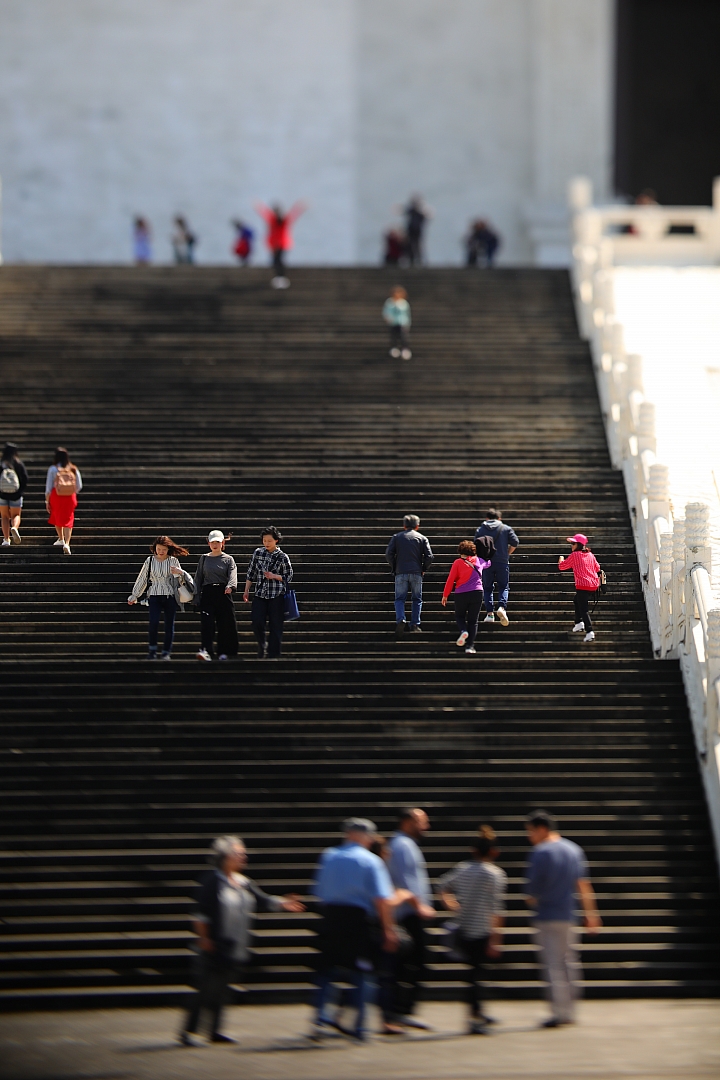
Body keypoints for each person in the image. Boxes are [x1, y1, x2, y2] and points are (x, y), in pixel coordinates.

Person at [180, 835, 304, 1046]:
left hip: (234, 945)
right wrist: (204, 938)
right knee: (205, 989)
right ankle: (189, 1032)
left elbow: (262, 899)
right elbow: (199, 915)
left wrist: (282, 903)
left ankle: (215, 1030)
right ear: (226, 856)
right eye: (240, 853)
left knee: (224, 989)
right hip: (213, 945)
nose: (244, 857)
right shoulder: (211, 882)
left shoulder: (243, 882)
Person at [312, 818, 397, 1042]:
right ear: (361, 836)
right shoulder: (371, 861)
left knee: (327, 969)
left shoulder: (328, 856)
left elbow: (319, 891)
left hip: (331, 916)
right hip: (358, 919)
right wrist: (388, 929)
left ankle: (320, 1019)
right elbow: (381, 899)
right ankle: (359, 1027)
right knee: (362, 972)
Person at [525, 809, 601, 1028]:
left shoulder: (540, 853)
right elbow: (583, 884)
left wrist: (532, 900)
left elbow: (532, 892)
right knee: (569, 961)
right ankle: (570, 1010)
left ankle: (558, 1012)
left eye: (531, 832)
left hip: (547, 915)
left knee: (552, 964)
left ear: (541, 829)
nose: (530, 837)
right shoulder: (573, 850)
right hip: (569, 915)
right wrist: (591, 914)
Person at [437, 826, 506, 1034]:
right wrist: (496, 939)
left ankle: (478, 1011)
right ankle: (475, 1017)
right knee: (477, 975)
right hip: (482, 931)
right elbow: (497, 910)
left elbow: (442, 885)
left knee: (473, 973)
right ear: (494, 852)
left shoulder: (463, 869)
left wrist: (451, 904)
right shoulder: (495, 875)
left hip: (464, 927)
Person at [387, 809, 435, 1030]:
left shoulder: (403, 844)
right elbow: (405, 883)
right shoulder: (403, 846)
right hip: (409, 914)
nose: (426, 826)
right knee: (415, 963)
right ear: (408, 822)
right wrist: (420, 907)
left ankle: (400, 1011)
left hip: (410, 913)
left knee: (412, 963)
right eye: (421, 822)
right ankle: (400, 1011)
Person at [128, 535, 195, 660]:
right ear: (155, 548)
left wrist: (179, 573)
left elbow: (181, 581)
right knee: (153, 622)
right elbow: (142, 578)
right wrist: (135, 595)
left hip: (170, 595)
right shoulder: (150, 560)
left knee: (169, 625)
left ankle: (166, 652)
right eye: (159, 549)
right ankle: (152, 651)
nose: (161, 551)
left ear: (168, 549)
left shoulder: (173, 561)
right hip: (154, 595)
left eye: (164, 549)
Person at [243, 526, 293, 660]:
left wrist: (274, 576)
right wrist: (246, 590)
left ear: (276, 540)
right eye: (264, 540)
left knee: (276, 625)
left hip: (276, 595)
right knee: (256, 621)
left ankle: (273, 653)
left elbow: (289, 576)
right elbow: (251, 572)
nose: (266, 543)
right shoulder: (258, 553)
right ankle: (262, 644)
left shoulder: (282, 557)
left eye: (269, 541)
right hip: (260, 593)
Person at [441, 538, 495, 655]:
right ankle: (470, 646)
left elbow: (450, 580)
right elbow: (489, 563)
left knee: (460, 616)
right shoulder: (479, 561)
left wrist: (445, 595)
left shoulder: (457, 562)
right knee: (473, 621)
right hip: (477, 593)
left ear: (460, 551)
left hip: (461, 593)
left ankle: (463, 630)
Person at [385, 514, 434, 634]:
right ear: (417, 526)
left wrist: (394, 566)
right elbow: (430, 556)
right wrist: (423, 568)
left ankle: (401, 619)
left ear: (404, 525)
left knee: (400, 599)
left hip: (401, 572)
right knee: (417, 599)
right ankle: (415, 624)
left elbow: (388, 554)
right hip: (416, 572)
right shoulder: (422, 538)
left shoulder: (397, 537)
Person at [194, 530, 238, 662]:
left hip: (223, 592)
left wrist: (231, 586)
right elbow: (198, 578)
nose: (214, 545)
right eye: (212, 542)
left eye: (217, 542)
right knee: (207, 624)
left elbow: (232, 574)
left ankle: (224, 651)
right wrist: (196, 597)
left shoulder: (228, 559)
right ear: (208, 543)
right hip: (208, 593)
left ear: (223, 543)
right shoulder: (204, 558)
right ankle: (206, 650)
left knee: (225, 624)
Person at [474, 508, 519, 626]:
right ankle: (502, 608)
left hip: (486, 562)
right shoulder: (505, 528)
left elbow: (475, 544)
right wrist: (507, 553)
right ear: (499, 518)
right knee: (503, 586)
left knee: (487, 587)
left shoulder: (481, 529)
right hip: (502, 561)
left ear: (487, 518)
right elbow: (515, 542)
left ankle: (490, 614)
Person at [558, 533, 602, 643]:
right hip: (593, 584)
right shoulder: (590, 555)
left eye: (573, 543)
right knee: (576, 600)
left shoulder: (575, 555)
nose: (571, 546)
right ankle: (578, 623)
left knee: (584, 609)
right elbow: (597, 567)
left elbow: (562, 566)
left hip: (583, 585)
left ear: (578, 545)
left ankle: (589, 631)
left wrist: (560, 559)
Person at [254, 201, 307, 288]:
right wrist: (258, 206)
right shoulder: (273, 220)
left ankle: (281, 277)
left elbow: (294, 214)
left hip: (282, 244)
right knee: (275, 261)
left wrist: (300, 207)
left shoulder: (283, 220)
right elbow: (265, 213)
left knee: (279, 261)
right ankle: (279, 277)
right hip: (275, 244)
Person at [45, 447, 82, 556]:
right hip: (70, 497)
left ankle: (61, 538)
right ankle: (67, 543)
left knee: (57, 516)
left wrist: (47, 501)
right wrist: (70, 491)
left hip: (56, 496)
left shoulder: (53, 469)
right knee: (68, 518)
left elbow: (48, 487)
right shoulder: (73, 468)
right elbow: (79, 486)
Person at [0, 442, 28, 548]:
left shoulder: (1, 464)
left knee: (4, 517)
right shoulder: (18, 464)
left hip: (2, 494)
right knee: (16, 515)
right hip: (16, 494)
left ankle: (6, 539)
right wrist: (20, 491)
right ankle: (15, 528)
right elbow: (25, 478)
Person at [382, 285, 412, 359]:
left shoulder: (404, 303)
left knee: (403, 337)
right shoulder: (389, 302)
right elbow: (386, 312)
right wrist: (387, 318)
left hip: (402, 323)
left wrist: (408, 323)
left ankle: (405, 349)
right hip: (393, 323)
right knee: (394, 336)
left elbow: (407, 314)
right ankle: (394, 349)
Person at [401, 195, 433, 266]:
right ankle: (412, 261)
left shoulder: (421, 212)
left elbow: (429, 216)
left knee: (418, 247)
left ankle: (420, 261)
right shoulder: (411, 211)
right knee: (410, 247)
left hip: (417, 232)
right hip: (411, 232)